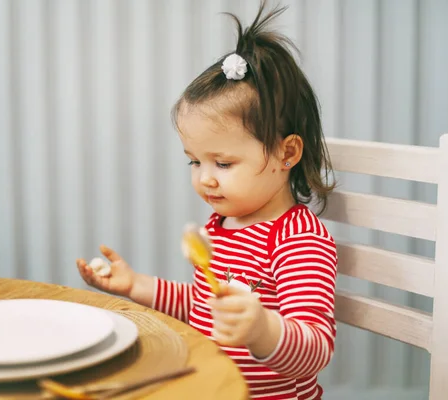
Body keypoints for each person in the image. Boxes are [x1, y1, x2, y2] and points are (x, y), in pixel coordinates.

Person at [77, 1, 338, 398]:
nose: (205, 179)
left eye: (224, 163)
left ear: (287, 154)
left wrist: (263, 330)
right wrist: (136, 285)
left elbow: (315, 349)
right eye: (195, 162)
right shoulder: (220, 228)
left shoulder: (298, 239)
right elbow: (200, 305)